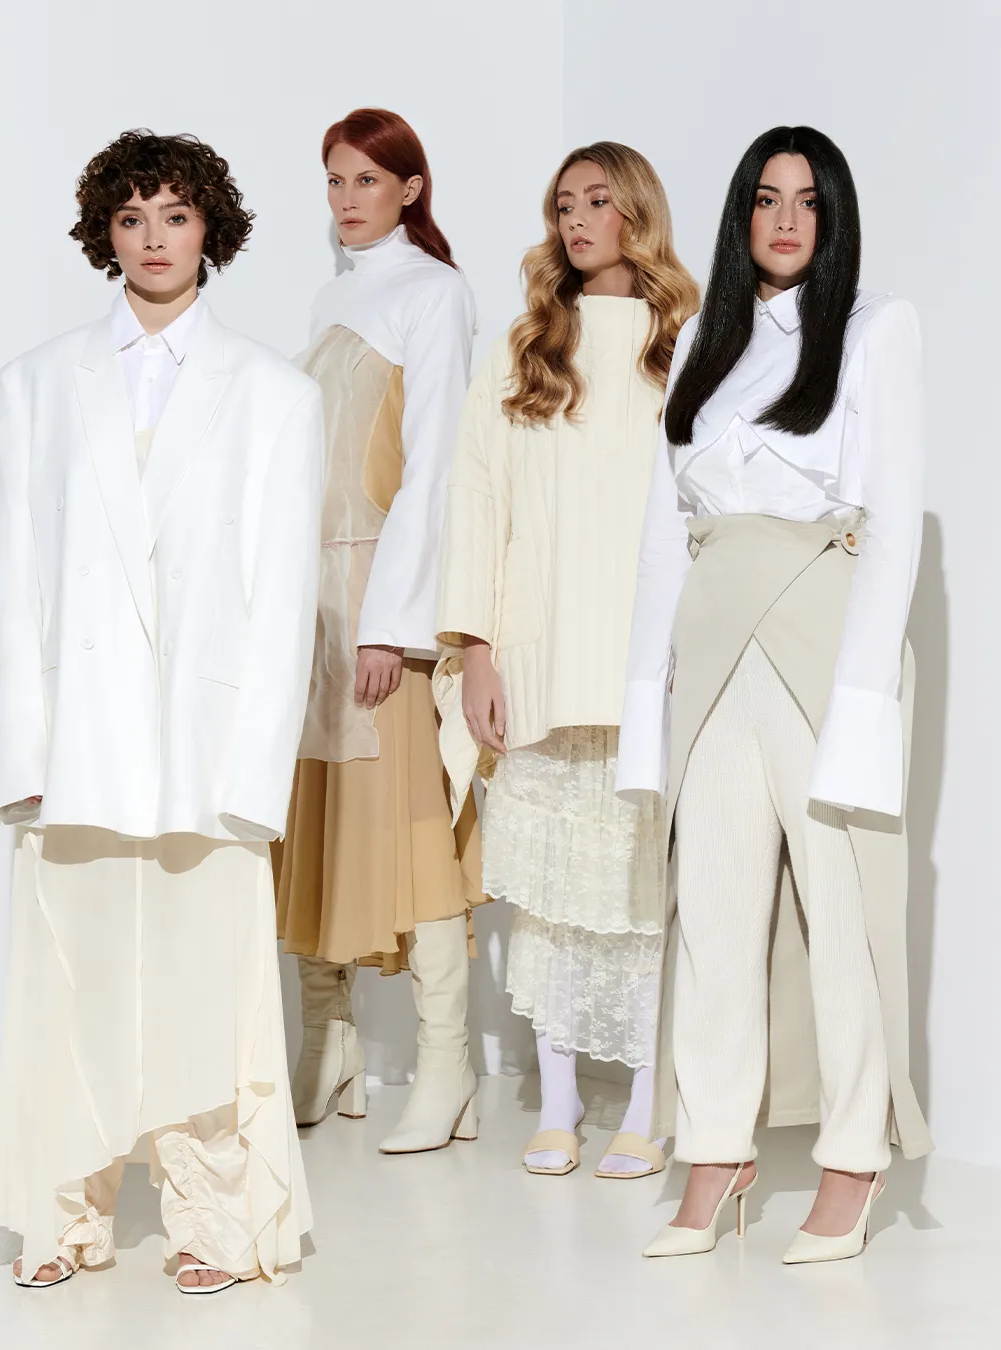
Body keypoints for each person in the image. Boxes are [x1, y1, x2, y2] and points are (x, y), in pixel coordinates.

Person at [0, 130, 322, 1292]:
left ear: (209, 227)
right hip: (77, 743)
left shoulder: (275, 394)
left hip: (201, 746)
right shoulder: (35, 384)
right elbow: (16, 585)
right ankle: (62, 1219)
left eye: (175, 214)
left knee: (203, 992)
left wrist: (256, 769)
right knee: (69, 984)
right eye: (131, 218)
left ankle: (218, 1222)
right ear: (105, 235)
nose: (154, 238)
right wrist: (20, 754)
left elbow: (284, 599)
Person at [616, 125, 932, 1262]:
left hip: (820, 632)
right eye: (765, 197)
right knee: (712, 912)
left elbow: (892, 525)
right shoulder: (704, 338)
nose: (786, 218)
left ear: (833, 217)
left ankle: (852, 1157)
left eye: (807, 199)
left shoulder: (877, 327)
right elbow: (665, 537)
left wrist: (862, 703)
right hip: (713, 643)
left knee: (845, 919)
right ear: (740, 215)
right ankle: (715, 1151)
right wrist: (645, 704)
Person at [435, 143, 698, 1177]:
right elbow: (476, 501)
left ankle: (650, 1106)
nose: (577, 220)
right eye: (563, 205)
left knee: (645, 888)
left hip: (650, 652)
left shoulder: (688, 345)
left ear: (638, 212)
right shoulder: (524, 350)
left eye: (598, 201)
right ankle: (556, 1102)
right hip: (540, 650)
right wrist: (478, 649)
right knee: (547, 891)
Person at [274, 108, 486, 1155]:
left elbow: (436, 468)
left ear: (410, 187)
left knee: (406, 823)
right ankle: (330, 1043)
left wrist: (392, 630)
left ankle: (448, 1065)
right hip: (309, 606)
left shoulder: (434, 293)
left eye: (367, 178)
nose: (348, 198)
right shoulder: (331, 299)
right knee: (311, 820)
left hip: (379, 609)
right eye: (334, 180)